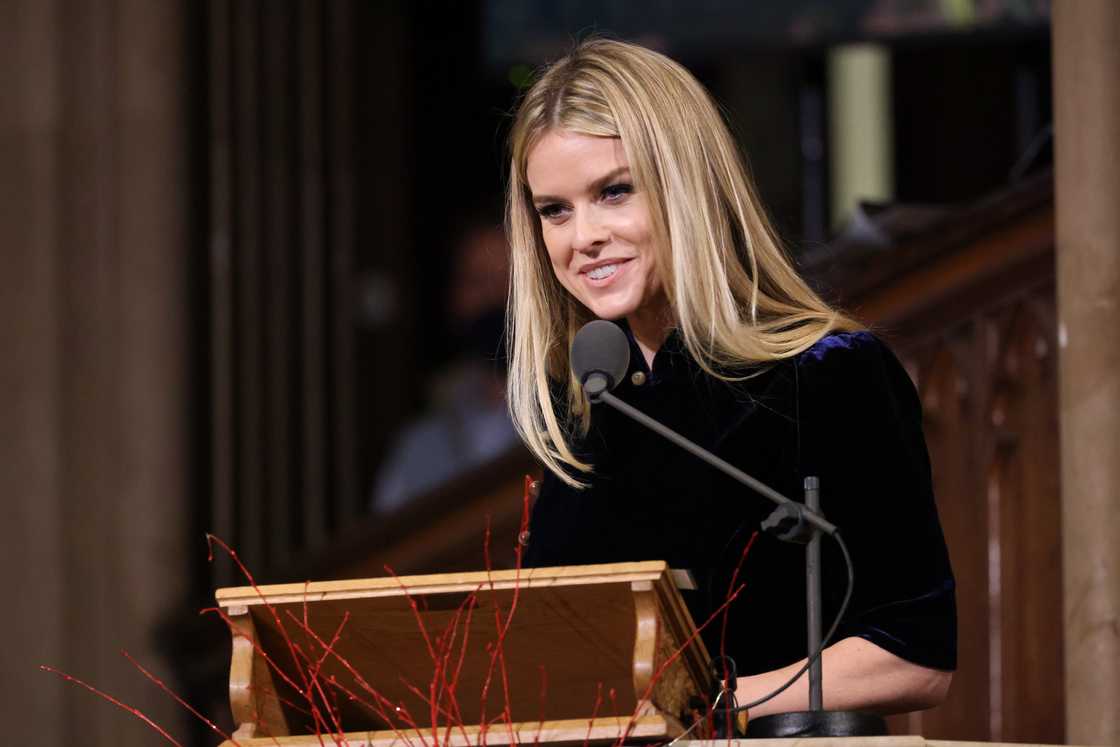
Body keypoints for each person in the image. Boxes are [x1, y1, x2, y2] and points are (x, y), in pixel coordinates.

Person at [504, 38, 955, 717]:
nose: (583, 235)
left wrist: (709, 709)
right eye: (555, 210)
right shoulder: (585, 412)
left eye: (614, 192)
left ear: (686, 184)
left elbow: (916, 651)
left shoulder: (830, 377)